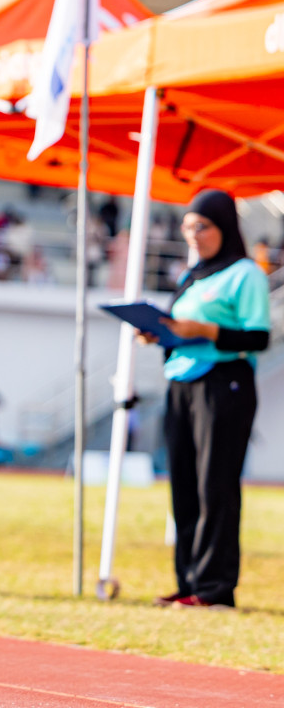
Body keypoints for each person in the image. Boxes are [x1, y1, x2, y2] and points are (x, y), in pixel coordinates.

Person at [139, 189, 268, 609]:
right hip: (182, 381)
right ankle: (189, 580)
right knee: (183, 484)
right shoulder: (192, 275)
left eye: (202, 226)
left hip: (223, 382)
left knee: (216, 485)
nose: (193, 235)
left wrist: (206, 331)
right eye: (187, 227)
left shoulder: (244, 273)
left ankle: (216, 588)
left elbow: (259, 336)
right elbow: (180, 327)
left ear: (224, 227)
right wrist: (160, 332)